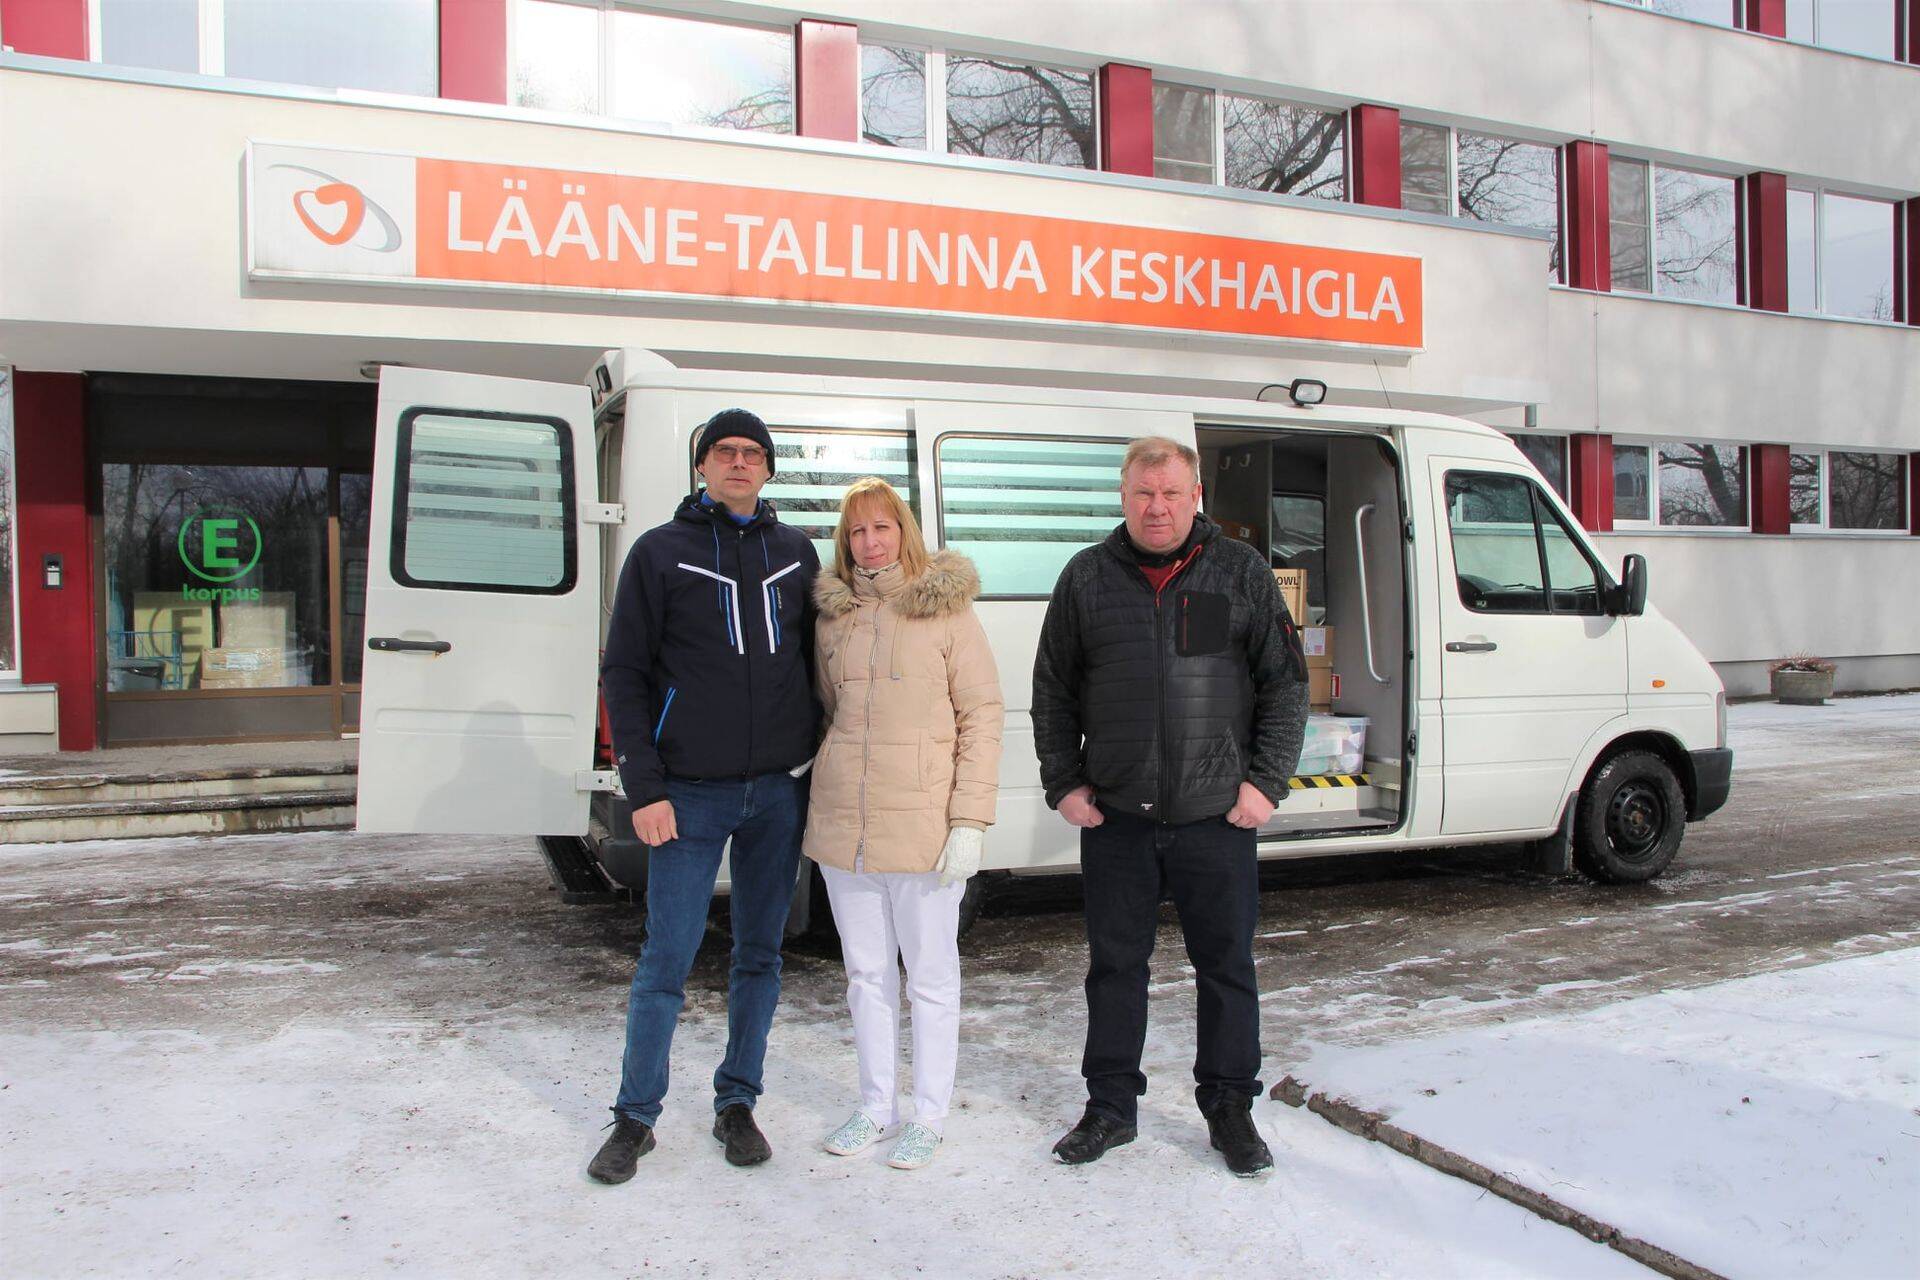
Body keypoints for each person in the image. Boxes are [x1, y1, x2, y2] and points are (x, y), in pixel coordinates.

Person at [1031, 435, 1308, 1177]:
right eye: (1144, 493)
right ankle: (1110, 1108)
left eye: (1171, 493)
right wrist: (1064, 782)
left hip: (1216, 816)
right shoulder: (1087, 576)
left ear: (1196, 497)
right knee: (1115, 968)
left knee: (1226, 968)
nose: (1157, 507)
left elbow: (1285, 683)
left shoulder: (1240, 571)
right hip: (1118, 816)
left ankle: (1230, 1110)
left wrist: (1266, 783)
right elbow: (1053, 689)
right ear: (1124, 498)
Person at [588, 408, 819, 1184]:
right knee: (668, 958)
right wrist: (644, 788)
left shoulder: (797, 554)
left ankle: (737, 1103)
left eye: (753, 453)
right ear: (702, 466)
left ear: (769, 469)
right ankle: (635, 1118)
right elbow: (623, 673)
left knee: (760, 956)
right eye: (725, 451)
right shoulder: (661, 552)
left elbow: (820, 663)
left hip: (777, 793)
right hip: (687, 795)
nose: (739, 462)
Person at [803, 477, 1003, 1170]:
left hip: (924, 829)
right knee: (865, 975)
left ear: (904, 532)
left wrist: (969, 819)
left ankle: (928, 1114)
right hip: (845, 827)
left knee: (930, 977)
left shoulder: (947, 612)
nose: (870, 541)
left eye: (882, 527)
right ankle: (875, 1105)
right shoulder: (834, 618)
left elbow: (982, 716)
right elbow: (829, 713)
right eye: (857, 530)